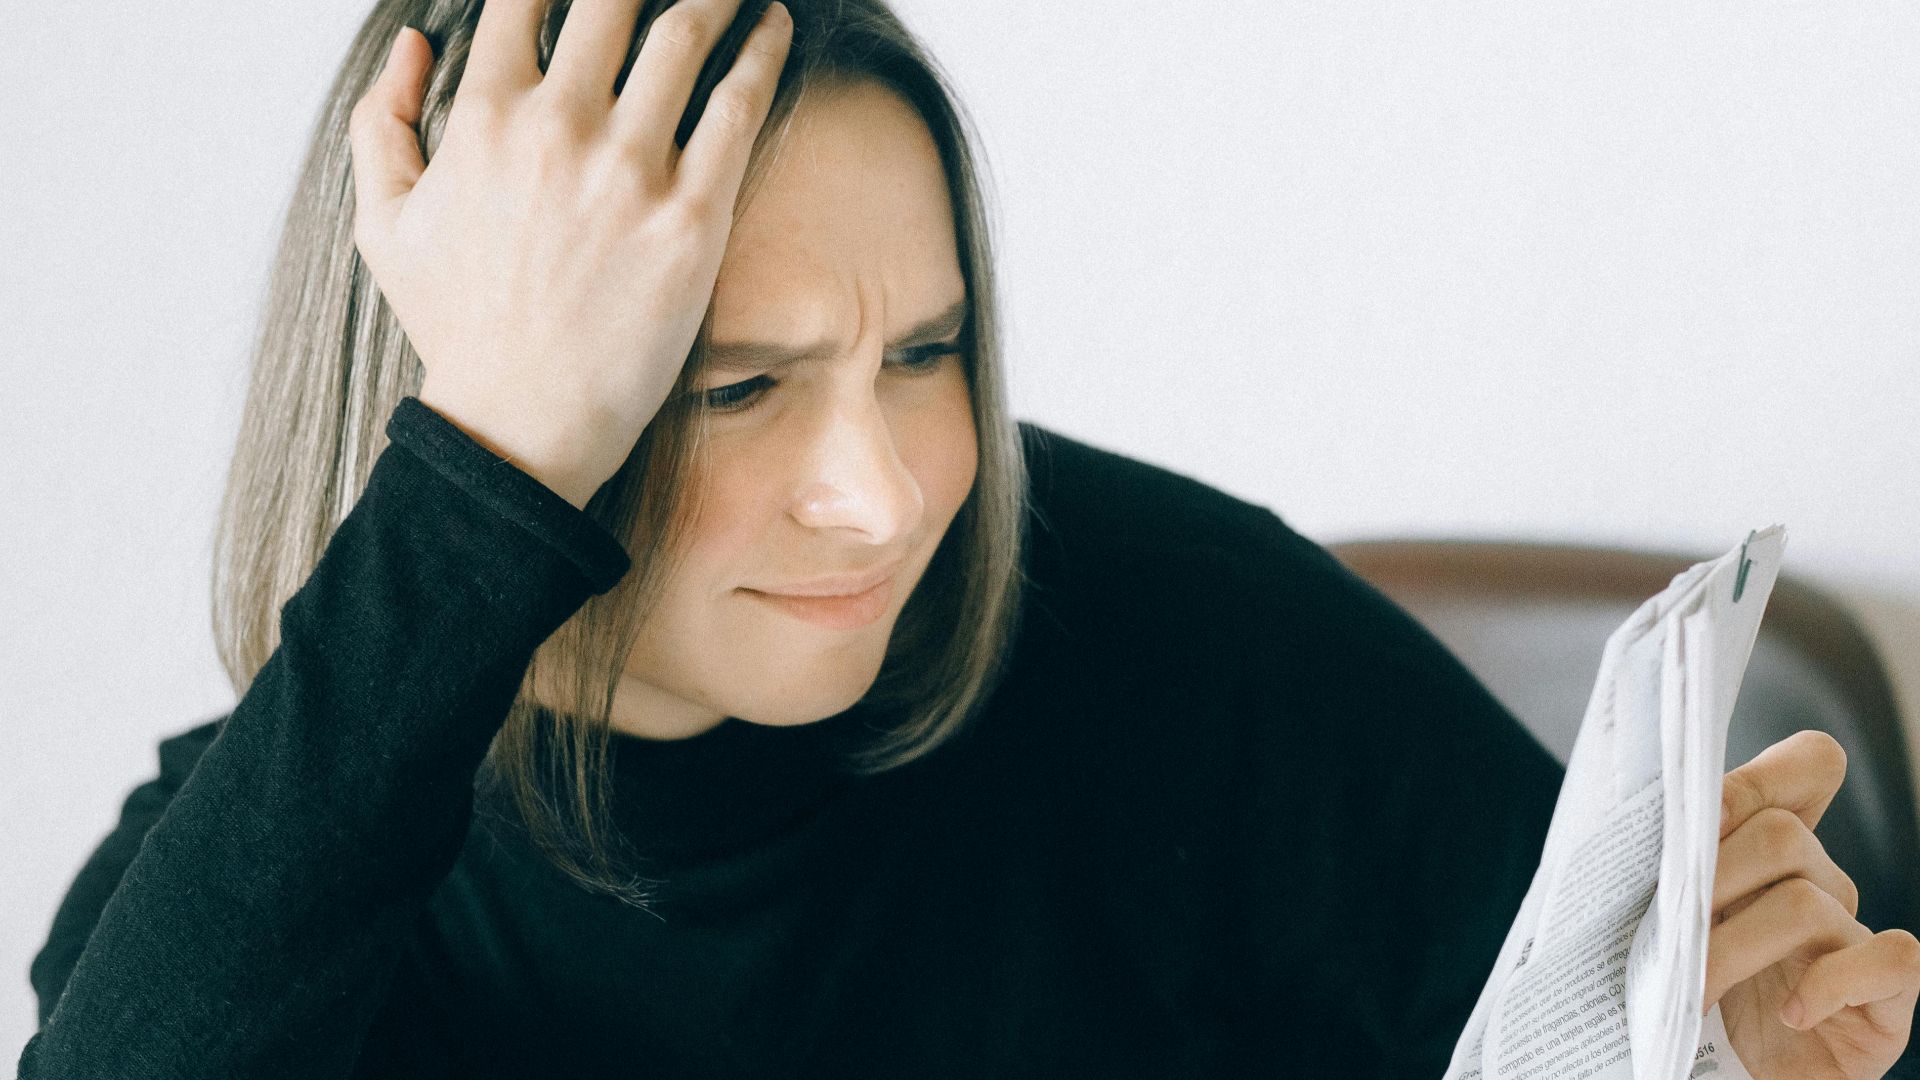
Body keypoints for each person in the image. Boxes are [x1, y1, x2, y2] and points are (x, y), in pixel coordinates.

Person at [22, 0, 1917, 1077]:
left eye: (925, 352)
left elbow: (1682, 1031)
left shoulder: (1192, 647)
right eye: (732, 390)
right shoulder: (275, 876)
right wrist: (489, 469)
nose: (892, 489)